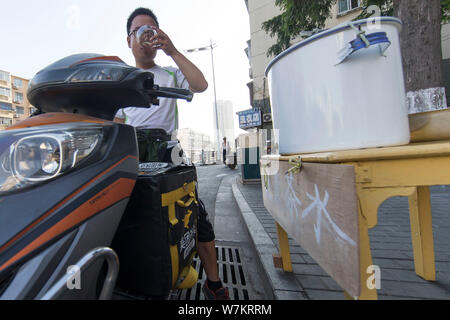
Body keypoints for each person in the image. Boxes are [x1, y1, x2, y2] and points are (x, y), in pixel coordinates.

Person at [114, 7, 229, 300]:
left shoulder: (170, 73)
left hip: (168, 154)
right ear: (129, 40)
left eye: (151, 30)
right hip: (133, 156)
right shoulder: (122, 80)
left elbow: (200, 85)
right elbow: (114, 126)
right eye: (139, 31)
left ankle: (213, 284)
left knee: (194, 214)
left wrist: (173, 50)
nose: (146, 36)